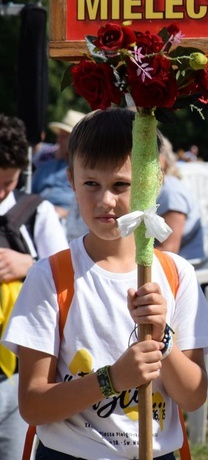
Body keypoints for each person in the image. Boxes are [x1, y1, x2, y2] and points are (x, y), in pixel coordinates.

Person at [1, 108, 208, 458]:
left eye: (121, 185)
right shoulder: (51, 276)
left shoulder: (176, 275)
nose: (106, 200)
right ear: (71, 181)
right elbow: (33, 405)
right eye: (92, 184)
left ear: (152, 181)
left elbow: (193, 396)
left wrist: (163, 338)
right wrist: (113, 379)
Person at [0, 114, 68, 460]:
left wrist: (27, 264)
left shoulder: (35, 212)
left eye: (8, 184)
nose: (0, 193)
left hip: (14, 366)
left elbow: (64, 274)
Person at [155, 133, 205, 261]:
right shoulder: (163, 187)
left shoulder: (171, 193)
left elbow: (168, 250)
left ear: (163, 159)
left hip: (179, 270)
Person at [31, 109, 86, 219]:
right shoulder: (47, 166)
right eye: (59, 135)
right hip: (37, 216)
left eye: (64, 136)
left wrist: (66, 213)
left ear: (78, 140)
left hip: (66, 222)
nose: (58, 140)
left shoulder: (87, 171)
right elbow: (29, 194)